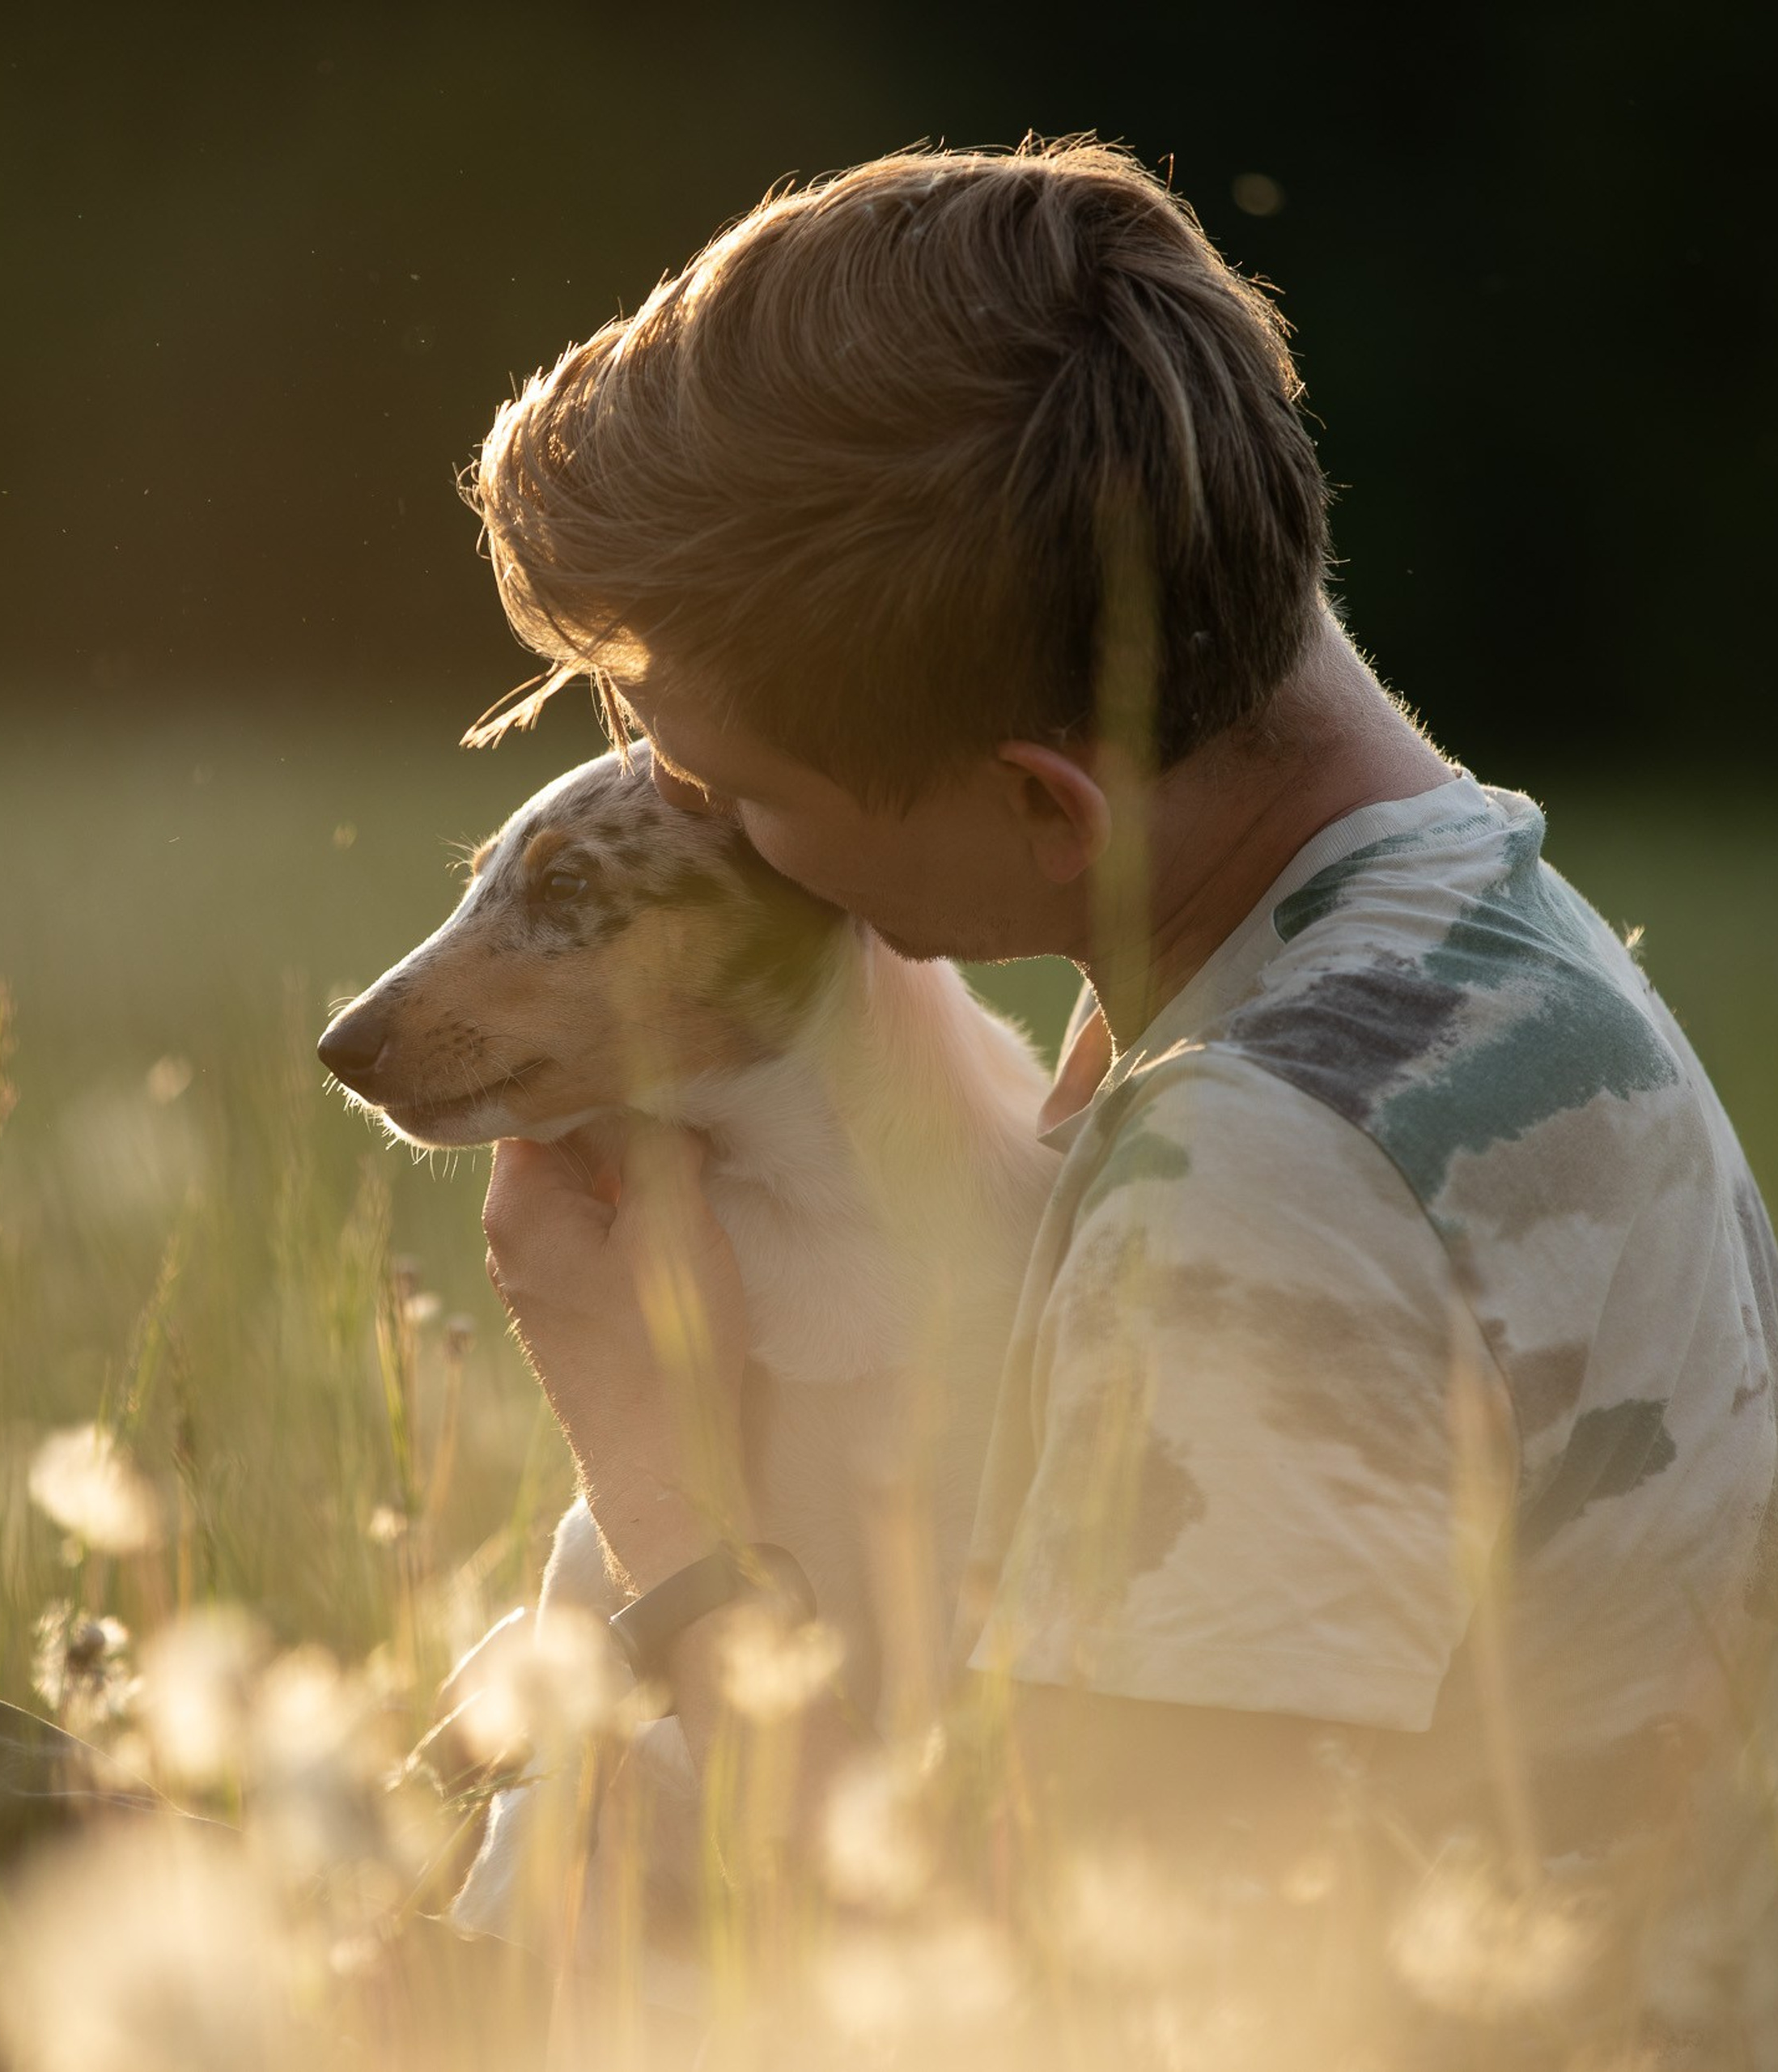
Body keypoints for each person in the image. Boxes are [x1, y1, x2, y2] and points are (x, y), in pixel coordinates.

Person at [464, 136, 1778, 2061]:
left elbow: (1040, 1984)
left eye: (737, 792)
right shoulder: (1469, 934)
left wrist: (654, 1471)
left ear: (1039, 804)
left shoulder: (1258, 1173)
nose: (726, 838)